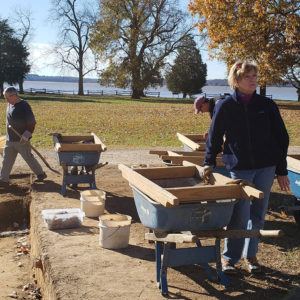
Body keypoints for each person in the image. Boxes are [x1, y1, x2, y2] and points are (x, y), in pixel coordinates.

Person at [203, 61, 290, 274]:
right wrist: (208, 162)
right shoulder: (224, 106)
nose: (253, 80)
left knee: (258, 214)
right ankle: (230, 259)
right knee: (239, 215)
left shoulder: (266, 105)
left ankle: (251, 257)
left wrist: (281, 169)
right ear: (236, 80)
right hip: (240, 169)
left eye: (254, 76)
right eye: (247, 76)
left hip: (265, 167)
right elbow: (214, 138)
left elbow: (282, 137)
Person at [0, 86, 47, 187]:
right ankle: (3, 180)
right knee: (7, 160)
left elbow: (31, 122)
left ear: (14, 96)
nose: (6, 100)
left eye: (7, 97)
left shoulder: (24, 105)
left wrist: (26, 135)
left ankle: (40, 174)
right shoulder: (9, 104)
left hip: (21, 140)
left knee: (28, 158)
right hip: (10, 139)